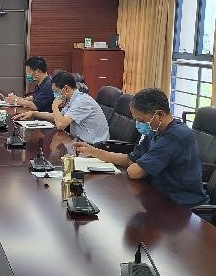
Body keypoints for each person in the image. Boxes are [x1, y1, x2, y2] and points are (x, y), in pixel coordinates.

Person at [73, 88, 208, 207]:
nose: (138, 124)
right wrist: (93, 151)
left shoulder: (174, 136)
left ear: (160, 115)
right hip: (160, 197)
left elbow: (135, 172)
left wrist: (137, 165)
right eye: (136, 120)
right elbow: (129, 159)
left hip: (183, 207)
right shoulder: (156, 130)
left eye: (142, 120)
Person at [16, 71, 109, 144]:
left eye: (56, 91)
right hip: (79, 142)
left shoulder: (81, 101)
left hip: (93, 146)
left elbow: (60, 124)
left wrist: (54, 105)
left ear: (66, 89)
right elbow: (58, 117)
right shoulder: (72, 99)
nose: (55, 95)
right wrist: (34, 113)